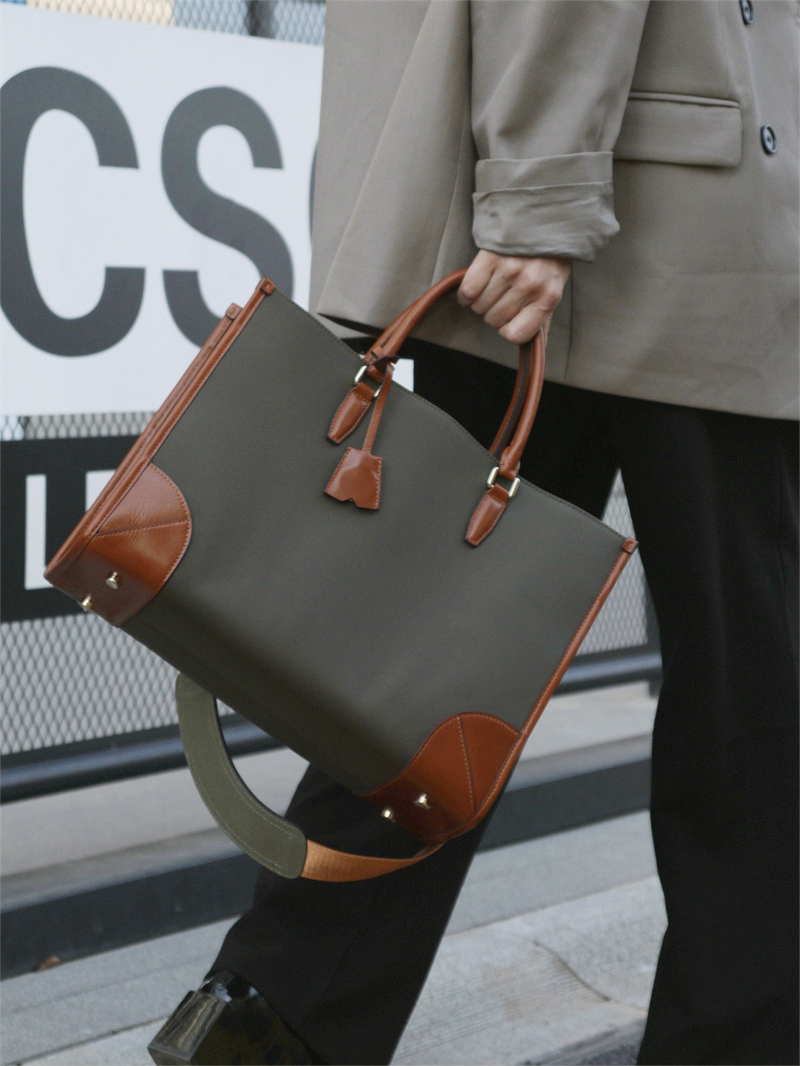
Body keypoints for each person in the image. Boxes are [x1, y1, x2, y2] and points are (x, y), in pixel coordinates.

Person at [148, 2, 799, 1064]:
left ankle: (270, 1026)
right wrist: (538, 201)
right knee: (745, 696)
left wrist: (525, 196)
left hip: (529, 199)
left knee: (423, 679)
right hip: (649, 214)